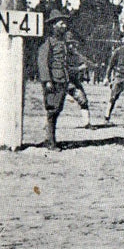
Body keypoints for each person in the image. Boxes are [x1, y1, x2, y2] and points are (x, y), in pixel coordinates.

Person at [36, 9, 76, 149]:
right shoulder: (48, 42)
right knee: (52, 110)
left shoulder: (62, 42)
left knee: (57, 110)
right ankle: (51, 142)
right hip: (53, 80)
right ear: (54, 26)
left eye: (64, 23)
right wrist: (47, 81)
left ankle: (49, 139)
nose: (64, 26)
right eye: (61, 23)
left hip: (62, 79)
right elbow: (43, 62)